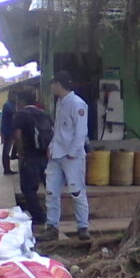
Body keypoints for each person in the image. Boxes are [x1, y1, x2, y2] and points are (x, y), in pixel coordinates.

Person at [38, 71, 90, 240]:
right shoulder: (60, 103)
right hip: (56, 155)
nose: (52, 87)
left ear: (58, 84)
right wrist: (52, 147)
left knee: (76, 192)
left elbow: (81, 132)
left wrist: (73, 153)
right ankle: (52, 227)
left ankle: (83, 227)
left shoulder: (77, 104)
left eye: (53, 83)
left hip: (71, 156)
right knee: (52, 192)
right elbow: (59, 129)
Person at [12, 90, 50, 230]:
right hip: (44, 156)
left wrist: (21, 153)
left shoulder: (20, 115)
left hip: (30, 156)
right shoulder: (44, 113)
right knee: (49, 187)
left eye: (17, 100)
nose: (16, 103)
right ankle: (52, 216)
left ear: (22, 101)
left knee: (29, 188)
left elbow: (17, 135)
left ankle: (38, 218)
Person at [0, 90, 17, 175]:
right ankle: (7, 170)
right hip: (7, 131)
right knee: (6, 151)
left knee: (7, 151)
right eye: (14, 96)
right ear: (10, 96)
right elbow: (15, 113)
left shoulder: (11, 105)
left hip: (9, 131)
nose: (15, 98)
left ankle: (7, 169)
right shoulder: (8, 105)